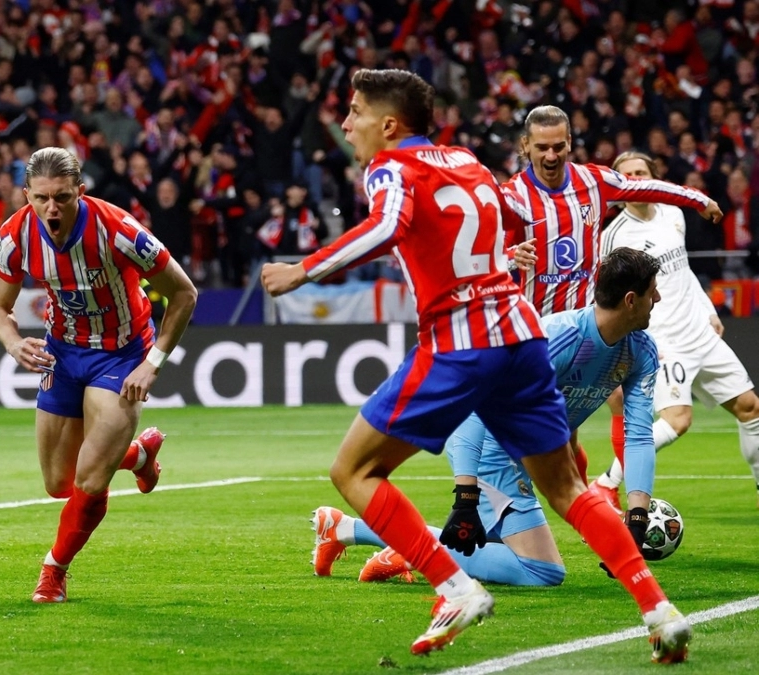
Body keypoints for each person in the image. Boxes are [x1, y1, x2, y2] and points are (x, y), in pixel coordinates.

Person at [260, 69, 690, 661]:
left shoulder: (390, 167)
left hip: (461, 338)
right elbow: (487, 236)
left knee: (352, 470)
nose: (346, 123)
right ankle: (659, 611)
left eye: (356, 112)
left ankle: (455, 587)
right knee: (567, 484)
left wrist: (302, 270)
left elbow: (386, 227)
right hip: (519, 329)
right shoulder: (466, 162)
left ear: (390, 124)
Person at [314, 248, 664, 590]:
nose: (659, 298)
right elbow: (480, 404)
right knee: (542, 570)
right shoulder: (559, 338)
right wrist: (465, 493)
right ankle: (392, 546)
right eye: (653, 291)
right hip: (491, 447)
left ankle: (350, 531)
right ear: (631, 300)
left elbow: (638, 435)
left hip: (531, 455)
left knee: (499, 545)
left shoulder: (641, 351)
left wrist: (636, 517)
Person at [0, 147, 198, 604]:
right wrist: (11, 342)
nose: (51, 208)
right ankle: (138, 455)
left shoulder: (118, 230)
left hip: (121, 356)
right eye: (41, 198)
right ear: (25, 195)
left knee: (89, 481)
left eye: (62, 197)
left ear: (80, 192)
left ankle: (54, 571)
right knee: (57, 483)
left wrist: (152, 363)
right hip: (61, 354)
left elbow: (184, 294)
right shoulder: (14, 236)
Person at [504, 105, 722, 484]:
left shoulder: (593, 181)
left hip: (585, 331)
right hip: (534, 335)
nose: (551, 155)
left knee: (603, 410)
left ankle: (599, 497)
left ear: (570, 142)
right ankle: (585, 499)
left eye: (559, 145)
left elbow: (648, 187)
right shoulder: (511, 197)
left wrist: (697, 199)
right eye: (542, 147)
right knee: (542, 441)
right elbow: (476, 248)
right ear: (526, 146)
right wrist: (507, 257)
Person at [590, 152, 759, 508]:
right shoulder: (614, 237)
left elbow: (681, 272)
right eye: (627, 176)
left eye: (641, 172)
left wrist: (708, 310)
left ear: (654, 176)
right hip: (665, 342)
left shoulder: (674, 214)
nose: (634, 180)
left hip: (700, 333)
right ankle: (606, 483)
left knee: (750, 408)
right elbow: (610, 300)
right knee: (678, 420)